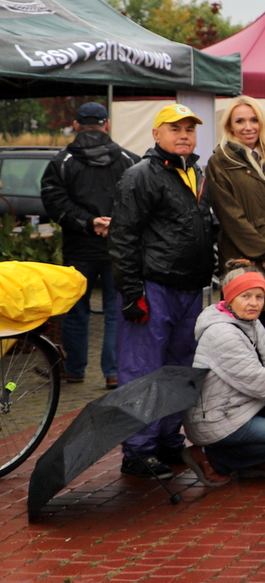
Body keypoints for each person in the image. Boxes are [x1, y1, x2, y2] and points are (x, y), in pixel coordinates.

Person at [109, 104, 217, 480]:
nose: (184, 134)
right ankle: (138, 450)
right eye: (175, 128)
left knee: (179, 368)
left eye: (190, 128)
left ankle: (168, 439)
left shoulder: (195, 173)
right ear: (156, 134)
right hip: (154, 287)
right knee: (142, 371)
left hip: (189, 288)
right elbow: (123, 236)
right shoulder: (141, 175)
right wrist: (131, 292)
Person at [183, 263, 265, 484]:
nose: (253, 303)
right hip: (215, 418)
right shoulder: (223, 333)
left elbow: (263, 363)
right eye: (246, 296)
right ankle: (212, 459)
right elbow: (262, 384)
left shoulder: (250, 323)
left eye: (259, 297)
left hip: (238, 405)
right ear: (231, 298)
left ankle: (257, 461)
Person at [40, 100, 137, 387]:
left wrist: (88, 222)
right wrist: (114, 224)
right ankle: (113, 372)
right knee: (114, 311)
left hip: (78, 248)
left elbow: (53, 202)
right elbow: (140, 200)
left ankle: (74, 369)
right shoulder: (130, 160)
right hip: (118, 248)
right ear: (107, 124)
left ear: (77, 125)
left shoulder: (61, 161)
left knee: (76, 310)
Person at [207, 96, 265, 356]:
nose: (248, 126)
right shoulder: (221, 161)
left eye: (253, 119)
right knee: (243, 341)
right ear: (230, 127)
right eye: (240, 121)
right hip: (243, 263)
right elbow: (231, 216)